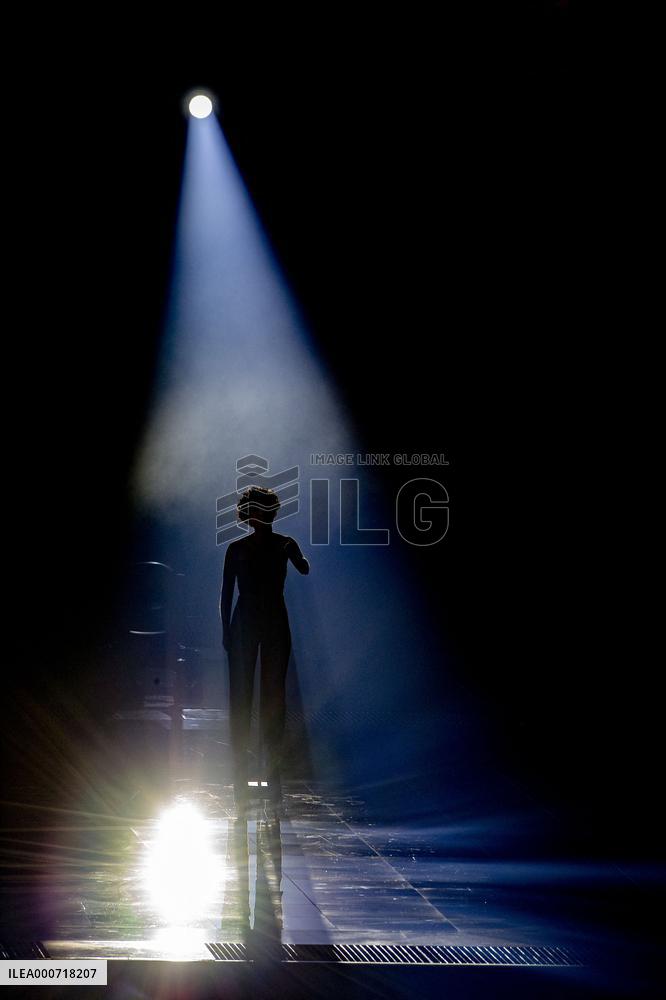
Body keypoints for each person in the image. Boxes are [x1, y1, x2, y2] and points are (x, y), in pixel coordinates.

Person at [220, 485, 309, 809]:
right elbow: (226, 592)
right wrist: (226, 631)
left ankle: (267, 779)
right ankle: (252, 779)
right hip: (256, 621)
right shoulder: (247, 548)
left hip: (259, 621)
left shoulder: (274, 545)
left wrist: (226, 631)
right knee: (257, 700)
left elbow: (226, 594)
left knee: (267, 699)